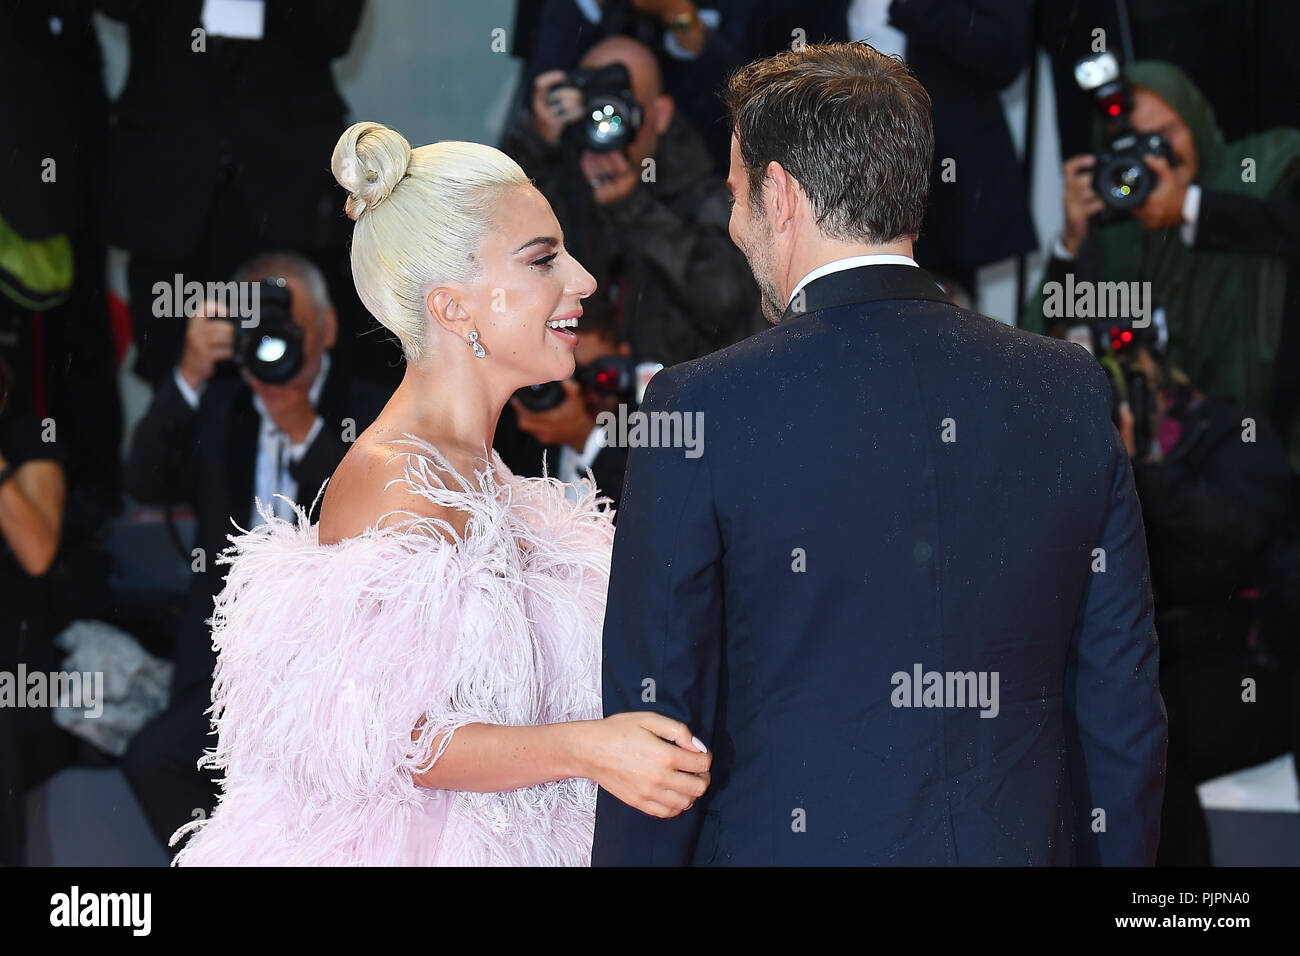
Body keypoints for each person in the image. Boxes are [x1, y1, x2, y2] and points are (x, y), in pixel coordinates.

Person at [593, 42, 1167, 865]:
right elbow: (1121, 704)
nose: (732, 223)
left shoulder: (701, 405)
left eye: (736, 195)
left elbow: (656, 730)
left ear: (780, 194)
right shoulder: (1067, 388)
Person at [171, 123, 711, 866]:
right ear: (453, 308)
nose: (582, 280)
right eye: (543, 260)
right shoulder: (395, 475)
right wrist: (590, 748)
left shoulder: (485, 470)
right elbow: (392, 735)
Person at [121, 251, 390, 852]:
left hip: (337, 664)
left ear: (326, 327)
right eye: (258, 327)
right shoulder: (222, 405)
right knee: (156, 759)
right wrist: (188, 375)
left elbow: (386, 512)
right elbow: (144, 481)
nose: (273, 341)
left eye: (288, 324)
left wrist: (303, 429)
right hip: (227, 670)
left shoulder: (373, 409)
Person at [1022, 61, 1300, 469]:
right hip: (1157, 470)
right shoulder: (1115, 236)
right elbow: (1035, 350)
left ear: (1197, 125)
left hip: (1263, 454)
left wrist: (1187, 208)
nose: (1152, 160)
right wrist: (1071, 243)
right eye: (1135, 144)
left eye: (1164, 136)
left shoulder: (1264, 172)